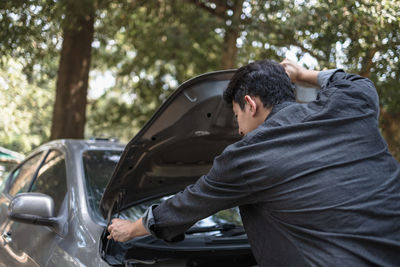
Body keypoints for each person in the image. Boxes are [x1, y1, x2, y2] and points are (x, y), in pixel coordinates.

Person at [107, 59, 400, 266]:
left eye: (237, 117)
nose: (238, 130)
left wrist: (130, 229)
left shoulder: (248, 155)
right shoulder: (351, 104)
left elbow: (187, 204)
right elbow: (352, 81)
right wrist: (300, 73)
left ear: (250, 103)